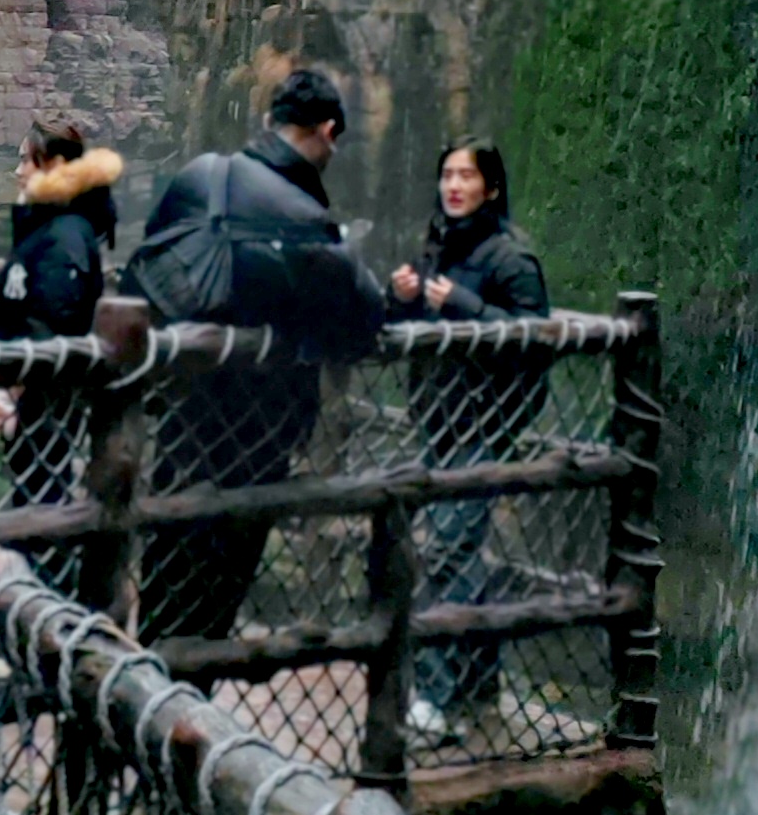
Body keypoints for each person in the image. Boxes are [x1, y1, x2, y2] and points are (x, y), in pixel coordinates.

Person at [121, 63, 385, 649]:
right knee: (215, 600)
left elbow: (145, 271)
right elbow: (364, 324)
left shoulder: (201, 177)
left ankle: (144, 695)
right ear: (329, 132)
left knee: (166, 576)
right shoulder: (311, 226)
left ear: (268, 121)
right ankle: (182, 707)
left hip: (179, 419)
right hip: (259, 437)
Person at [389, 141, 549, 749]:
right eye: (447, 174)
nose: (454, 185)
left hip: (485, 427)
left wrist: (463, 303)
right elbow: (412, 331)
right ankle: (479, 685)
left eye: (466, 175)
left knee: (448, 552)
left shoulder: (512, 259)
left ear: (492, 187)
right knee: (458, 553)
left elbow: (534, 339)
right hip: (439, 423)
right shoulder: (437, 249)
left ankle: (433, 700)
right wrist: (400, 300)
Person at [0, 118, 122, 340]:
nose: (18, 172)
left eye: (25, 160)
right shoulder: (44, 228)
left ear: (53, 165)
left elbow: (50, 333)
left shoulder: (65, 238)